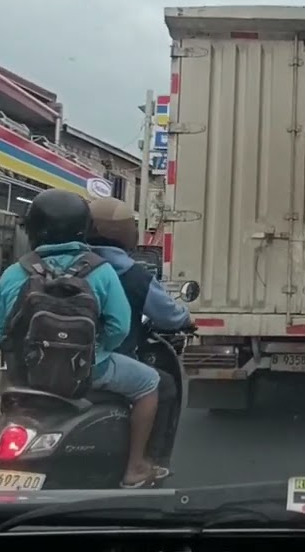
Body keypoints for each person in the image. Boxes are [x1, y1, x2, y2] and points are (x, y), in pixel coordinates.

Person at [0, 188, 163, 488]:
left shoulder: (16, 272)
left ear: (32, 230)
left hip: (27, 373)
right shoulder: (101, 270)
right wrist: (95, 349)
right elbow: (119, 327)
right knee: (150, 383)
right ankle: (135, 467)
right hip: (89, 368)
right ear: (84, 229)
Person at [85, 197, 190, 471]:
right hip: (102, 362)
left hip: (38, 365)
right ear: (126, 233)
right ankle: (142, 462)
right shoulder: (128, 273)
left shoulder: (41, 265)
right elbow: (156, 318)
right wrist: (186, 319)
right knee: (161, 384)